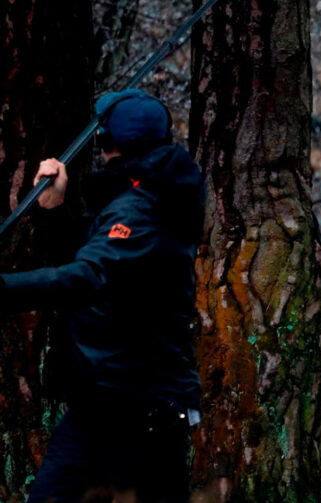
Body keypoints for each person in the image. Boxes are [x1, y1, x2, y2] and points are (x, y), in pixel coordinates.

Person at [0, 89, 204, 503]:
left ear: (108, 142)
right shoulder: (151, 194)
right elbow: (101, 257)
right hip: (111, 402)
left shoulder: (142, 208)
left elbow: (87, 275)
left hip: (140, 408)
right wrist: (55, 209)